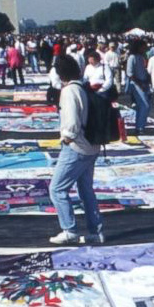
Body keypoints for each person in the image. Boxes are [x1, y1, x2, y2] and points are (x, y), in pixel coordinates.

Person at [48, 54, 103, 245]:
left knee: (57, 189)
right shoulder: (83, 87)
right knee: (86, 189)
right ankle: (95, 231)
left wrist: (66, 139)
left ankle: (69, 229)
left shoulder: (69, 91)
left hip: (77, 147)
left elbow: (71, 123)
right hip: (92, 146)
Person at [126, 38, 151, 133]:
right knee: (145, 105)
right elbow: (130, 73)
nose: (144, 49)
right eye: (143, 47)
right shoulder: (132, 57)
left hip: (143, 82)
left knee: (142, 106)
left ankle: (140, 126)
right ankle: (140, 126)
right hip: (136, 83)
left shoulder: (140, 57)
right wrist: (140, 84)